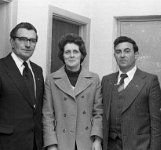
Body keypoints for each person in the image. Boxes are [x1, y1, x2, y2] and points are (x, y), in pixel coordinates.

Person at [101, 36, 161, 150]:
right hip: (110, 145)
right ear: (114, 55)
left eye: (127, 51)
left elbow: (156, 124)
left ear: (136, 55)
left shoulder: (150, 81)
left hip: (139, 146)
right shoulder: (106, 80)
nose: (122, 55)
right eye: (118, 52)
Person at [42, 33, 103, 150]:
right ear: (62, 55)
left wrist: (97, 140)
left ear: (81, 55)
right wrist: (51, 144)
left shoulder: (94, 79)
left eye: (75, 52)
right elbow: (47, 115)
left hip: (87, 141)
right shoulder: (51, 79)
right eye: (67, 52)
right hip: (60, 141)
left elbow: (98, 112)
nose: (71, 56)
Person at [0, 22, 44, 150]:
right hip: (7, 143)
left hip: (36, 143)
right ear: (12, 42)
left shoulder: (38, 71)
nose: (28, 44)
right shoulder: (1, 67)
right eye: (23, 39)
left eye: (32, 40)